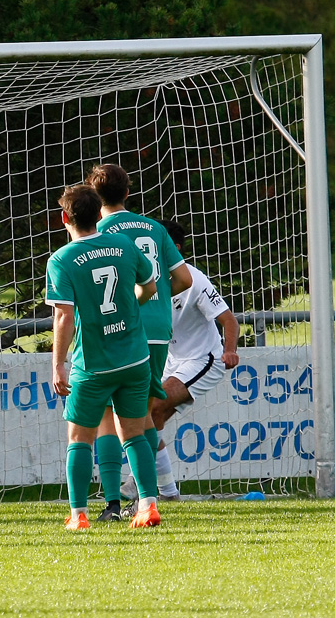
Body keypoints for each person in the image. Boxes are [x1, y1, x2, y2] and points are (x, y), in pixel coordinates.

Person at [45, 184, 161, 530]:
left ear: (64, 218)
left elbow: (64, 315)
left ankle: (79, 515)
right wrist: (129, 310)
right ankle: (148, 506)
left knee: (80, 438)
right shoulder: (123, 244)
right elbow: (150, 286)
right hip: (135, 358)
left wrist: (58, 364)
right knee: (135, 435)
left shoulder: (62, 260)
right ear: (99, 215)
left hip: (93, 364)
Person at [87, 163, 193, 522]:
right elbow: (183, 279)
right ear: (128, 192)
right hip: (159, 328)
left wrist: (131, 302)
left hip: (119, 328)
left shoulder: (96, 229)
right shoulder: (153, 227)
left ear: (92, 196)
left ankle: (114, 503)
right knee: (142, 414)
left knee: (107, 414)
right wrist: (157, 296)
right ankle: (153, 497)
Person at [123, 219, 240, 500]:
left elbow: (229, 321)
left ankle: (134, 482)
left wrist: (230, 350)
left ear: (173, 248)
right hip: (173, 362)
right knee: (154, 415)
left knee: (151, 409)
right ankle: (168, 493)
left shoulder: (194, 279)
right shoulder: (148, 283)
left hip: (205, 360)